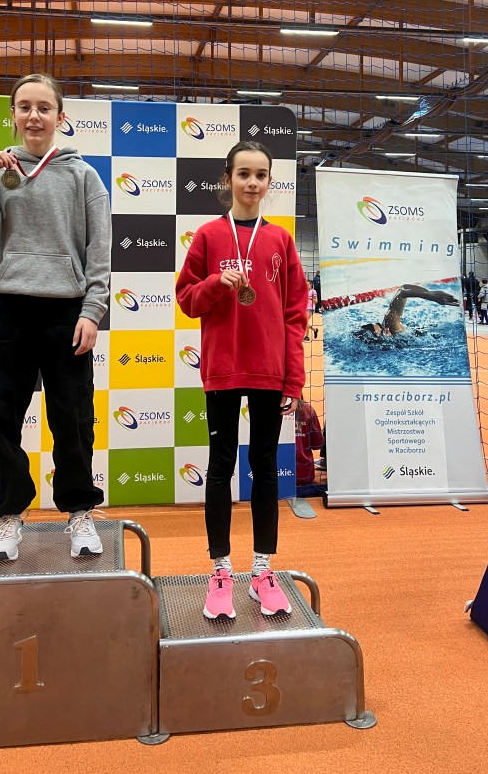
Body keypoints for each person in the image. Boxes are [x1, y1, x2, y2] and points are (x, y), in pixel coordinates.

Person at [0, 73, 111, 562]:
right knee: (3, 417)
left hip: (65, 310)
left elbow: (99, 252)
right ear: (13, 115)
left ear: (60, 117)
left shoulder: (83, 176)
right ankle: (8, 515)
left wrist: (92, 310)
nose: (34, 116)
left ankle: (79, 511)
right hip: (4, 307)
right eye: (24, 107)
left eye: (44, 107)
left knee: (73, 417)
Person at [176, 140, 308, 621]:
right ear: (227, 179)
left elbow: (295, 314)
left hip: (269, 371)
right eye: (244, 174)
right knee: (219, 467)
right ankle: (220, 572)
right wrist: (216, 283)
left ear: (269, 181)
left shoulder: (281, 241)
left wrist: (293, 380)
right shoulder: (209, 236)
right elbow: (187, 299)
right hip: (224, 369)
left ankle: (262, 571)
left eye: (261, 175)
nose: (252, 183)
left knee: (266, 469)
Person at [353, 283, 460, 341]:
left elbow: (404, 290)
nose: (386, 329)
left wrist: (430, 295)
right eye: (382, 332)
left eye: (380, 326)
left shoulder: (391, 326)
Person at [295, 399, 325, 496]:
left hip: (278, 475)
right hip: (305, 475)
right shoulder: (308, 409)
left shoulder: (271, 410)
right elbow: (317, 443)